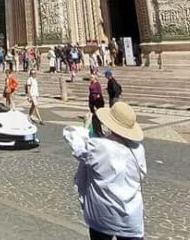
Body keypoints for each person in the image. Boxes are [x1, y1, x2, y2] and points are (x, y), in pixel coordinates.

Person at [63, 102, 147, 240]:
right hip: (131, 216)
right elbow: (141, 174)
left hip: (103, 215)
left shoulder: (99, 146)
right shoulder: (138, 149)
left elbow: (73, 139)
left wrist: (86, 126)